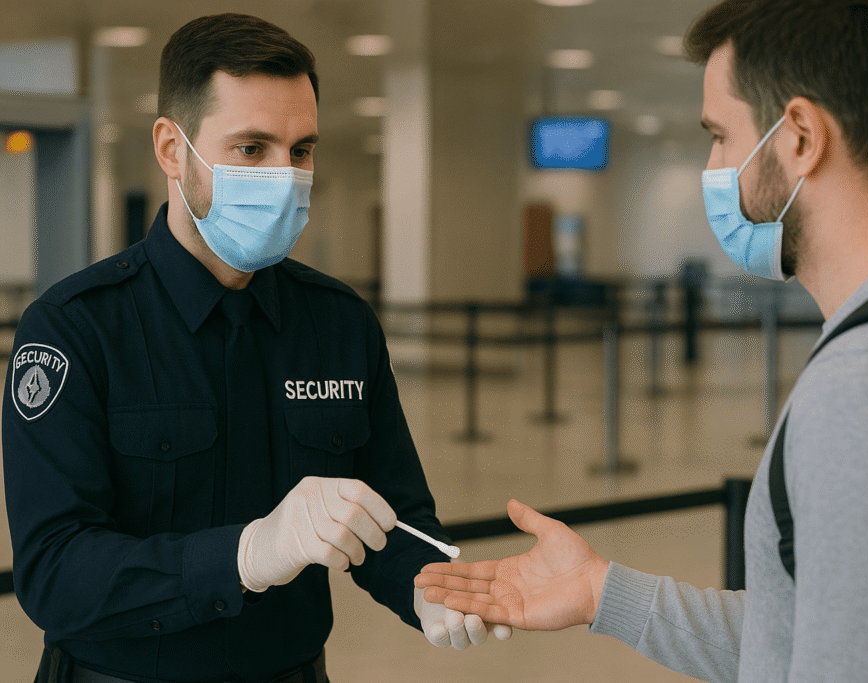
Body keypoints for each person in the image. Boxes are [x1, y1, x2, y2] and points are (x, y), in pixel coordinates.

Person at [415, 0, 868, 680]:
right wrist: (599, 591)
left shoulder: (866, 388)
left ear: (798, 137)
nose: (715, 166)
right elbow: (810, 635)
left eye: (721, 136)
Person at [3, 13, 508, 683]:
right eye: (251, 148)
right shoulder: (74, 329)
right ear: (171, 149)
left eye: (300, 150)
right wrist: (244, 553)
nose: (285, 175)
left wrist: (435, 585)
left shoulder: (340, 323)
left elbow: (395, 514)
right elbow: (56, 571)